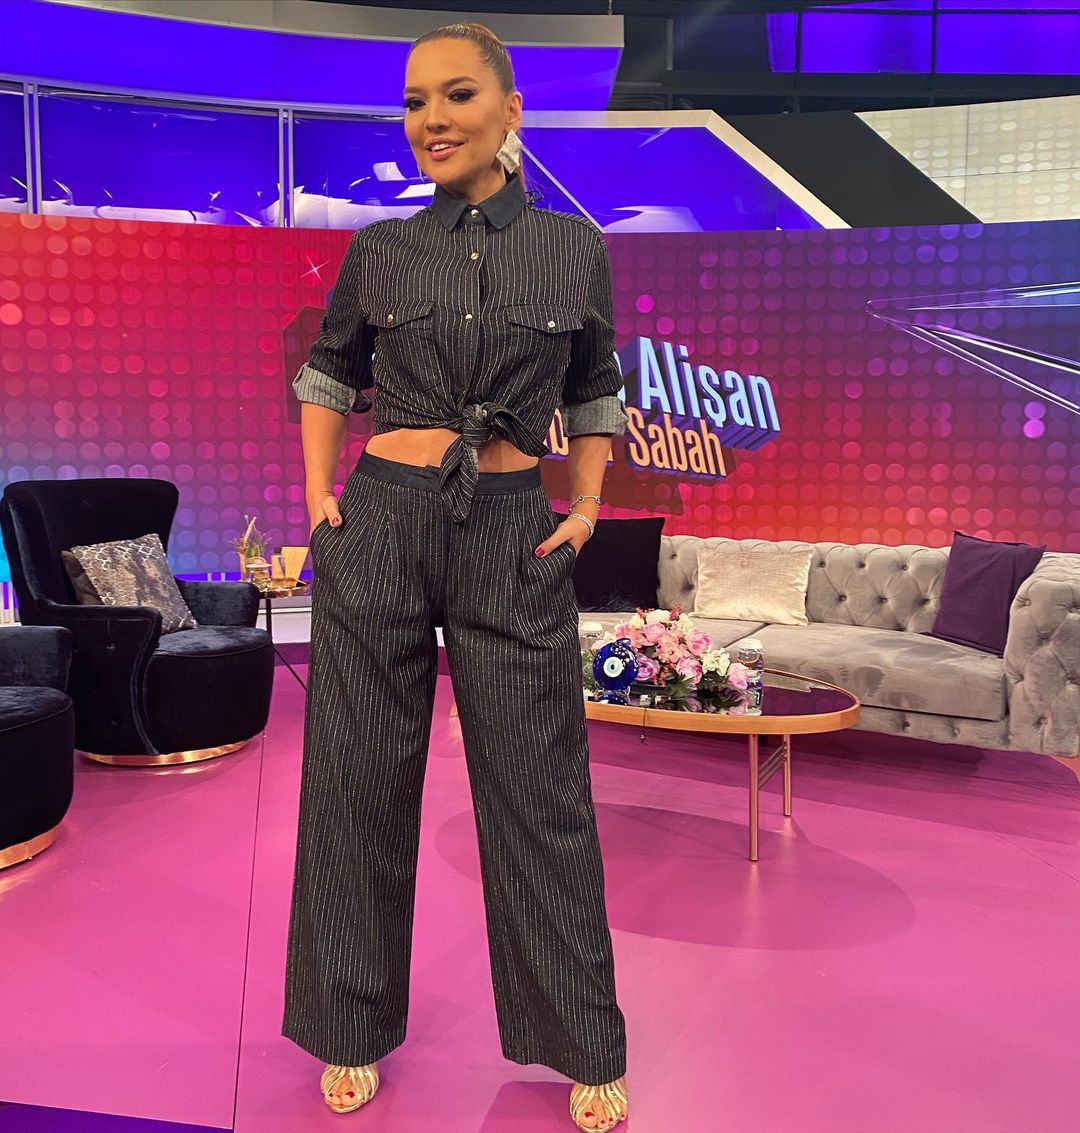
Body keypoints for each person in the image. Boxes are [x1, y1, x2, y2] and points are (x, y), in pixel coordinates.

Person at [281, 21, 629, 1133]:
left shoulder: (574, 249)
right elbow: (328, 369)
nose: (431, 118)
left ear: (510, 109)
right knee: (355, 785)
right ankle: (346, 1028)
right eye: (415, 100)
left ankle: (582, 1038)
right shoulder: (381, 249)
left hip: (511, 532)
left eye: (458, 94)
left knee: (540, 793)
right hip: (381, 522)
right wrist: (321, 496)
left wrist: (586, 506)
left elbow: (596, 387)